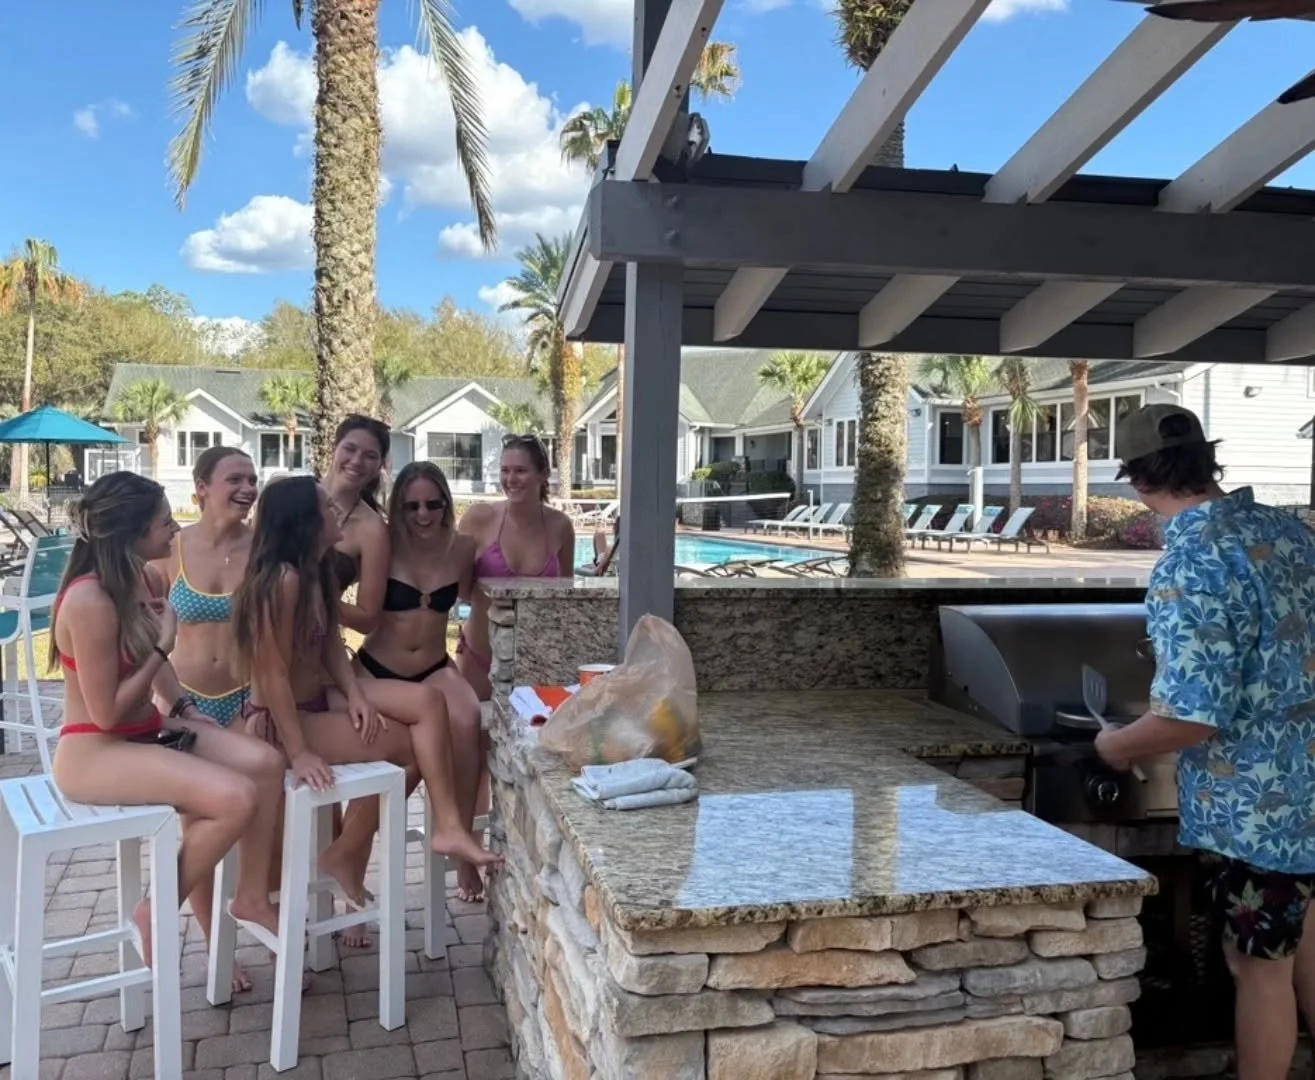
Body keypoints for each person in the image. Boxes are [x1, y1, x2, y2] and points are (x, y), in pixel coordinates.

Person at [1094, 403, 1315, 1080]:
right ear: (1206, 460)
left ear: (1135, 478)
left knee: (1257, 969)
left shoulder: (1189, 562)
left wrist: (1117, 747)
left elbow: (1191, 717)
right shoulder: (1288, 532)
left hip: (1256, 811)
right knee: (1309, 949)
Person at [233, 474, 498, 912]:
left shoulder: (313, 572)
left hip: (322, 699)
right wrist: (299, 753)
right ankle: (351, 851)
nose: (338, 509)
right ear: (304, 521)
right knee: (414, 745)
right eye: (325, 507)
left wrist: (355, 693)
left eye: (434, 505)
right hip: (283, 719)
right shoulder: (280, 583)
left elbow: (331, 643)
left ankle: (445, 826)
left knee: (430, 708)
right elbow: (273, 677)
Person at [49, 471, 284, 967]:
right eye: (163, 522)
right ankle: (156, 910)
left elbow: (159, 680)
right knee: (235, 798)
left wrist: (187, 710)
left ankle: (252, 897)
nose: (175, 528)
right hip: (95, 750)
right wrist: (163, 644)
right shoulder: (89, 601)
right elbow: (107, 713)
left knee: (264, 762)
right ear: (131, 531)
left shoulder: (148, 577)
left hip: (148, 733)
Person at [152, 445, 260, 991]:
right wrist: (174, 705)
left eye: (252, 479)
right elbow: (141, 635)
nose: (246, 488)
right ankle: (216, 943)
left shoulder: (260, 548)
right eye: (234, 479)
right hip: (184, 701)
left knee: (252, 812)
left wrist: (259, 696)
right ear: (201, 486)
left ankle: (257, 906)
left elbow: (271, 633)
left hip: (244, 699)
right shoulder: (171, 548)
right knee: (199, 826)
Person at [354, 461, 484, 891]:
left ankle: (460, 841)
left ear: (447, 503)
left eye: (432, 504)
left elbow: (474, 598)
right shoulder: (381, 544)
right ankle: (351, 870)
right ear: (398, 508)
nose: (423, 515)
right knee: (381, 762)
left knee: (468, 719)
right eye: (411, 507)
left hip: (433, 667)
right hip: (378, 670)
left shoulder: (463, 547)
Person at [456, 434, 574, 901]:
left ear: (543, 476)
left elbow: (565, 598)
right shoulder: (481, 518)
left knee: (529, 764)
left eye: (520, 471)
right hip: (480, 656)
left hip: (534, 666)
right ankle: (466, 863)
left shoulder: (561, 527)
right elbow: (461, 589)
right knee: (471, 762)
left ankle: (518, 859)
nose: (510, 479)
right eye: (505, 470)